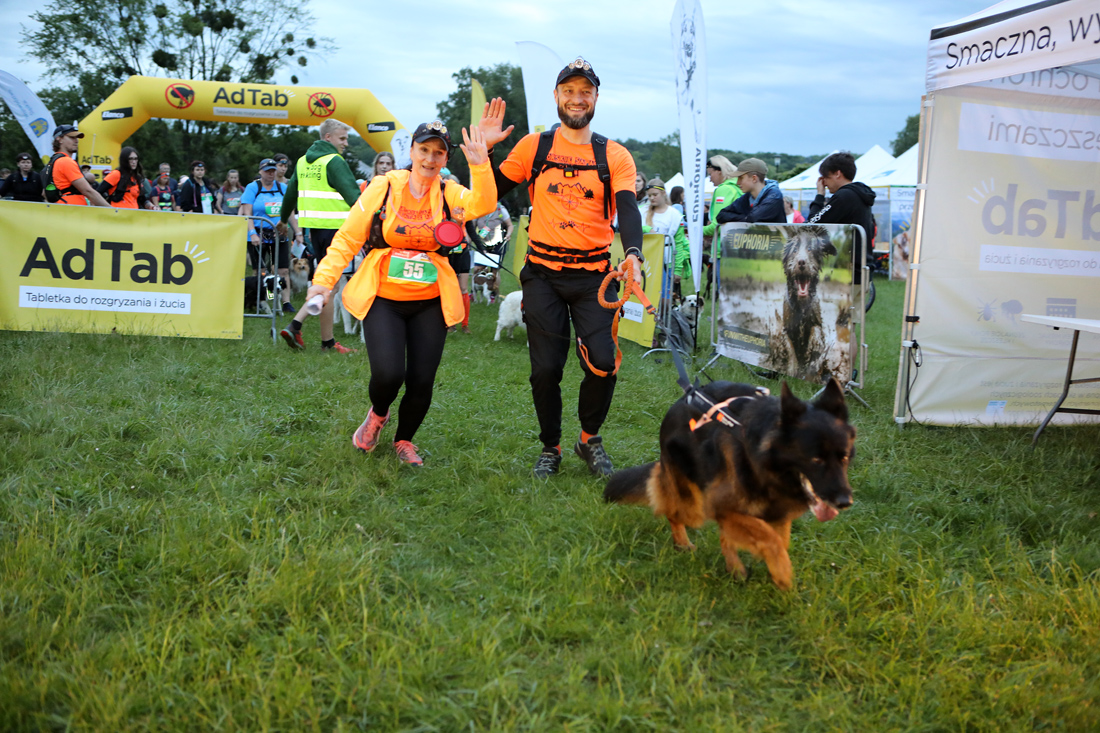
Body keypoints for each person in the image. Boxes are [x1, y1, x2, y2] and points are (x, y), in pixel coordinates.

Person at [479, 58, 645, 478]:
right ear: (556, 96)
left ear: (596, 98)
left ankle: (588, 439)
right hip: (543, 276)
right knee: (546, 369)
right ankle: (550, 447)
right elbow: (487, 195)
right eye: (569, 91)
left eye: (585, 91)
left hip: (593, 278)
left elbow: (627, 208)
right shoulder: (534, 147)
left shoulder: (614, 154)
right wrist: (486, 153)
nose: (577, 99)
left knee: (603, 363)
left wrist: (633, 254)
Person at [304, 121, 496, 466]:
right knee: (389, 374)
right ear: (412, 151)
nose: (430, 159)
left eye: (438, 153)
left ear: (445, 159)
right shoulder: (385, 186)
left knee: (422, 380)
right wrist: (323, 280)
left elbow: (482, 204)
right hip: (384, 298)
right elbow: (348, 237)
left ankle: (405, 440)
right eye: (424, 150)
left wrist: (481, 164)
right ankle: (378, 415)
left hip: (430, 301)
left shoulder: (449, 192)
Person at [277, 119, 361, 354]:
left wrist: (283, 220)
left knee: (325, 284)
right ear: (328, 138)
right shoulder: (334, 161)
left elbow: (290, 194)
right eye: (342, 138)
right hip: (336, 231)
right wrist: (374, 220)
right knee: (329, 286)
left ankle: (325, 340)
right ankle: (298, 326)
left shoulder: (303, 161)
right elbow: (355, 198)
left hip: (314, 232)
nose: (345, 143)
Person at [240, 157, 297, 313]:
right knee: (261, 271)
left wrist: (297, 232)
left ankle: (285, 302)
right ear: (260, 172)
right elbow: (247, 213)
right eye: (267, 171)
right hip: (259, 233)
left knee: (283, 270)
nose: (271, 174)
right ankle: (262, 299)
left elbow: (290, 212)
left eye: (273, 171)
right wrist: (252, 233)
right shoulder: (253, 187)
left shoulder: (282, 188)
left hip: (279, 233)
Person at [807, 151, 876, 262]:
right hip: (862, 262)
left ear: (837, 174)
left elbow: (813, 224)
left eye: (826, 177)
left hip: (849, 266)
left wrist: (819, 195)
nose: (824, 183)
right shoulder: (860, 194)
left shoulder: (844, 196)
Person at [45, 125, 109, 207]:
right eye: (72, 137)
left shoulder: (52, 161)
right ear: (59, 139)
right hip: (72, 210)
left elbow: (44, 193)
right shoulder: (66, 161)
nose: (76, 141)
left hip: (62, 208)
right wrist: (112, 210)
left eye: (77, 138)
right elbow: (88, 191)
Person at [644, 178, 690, 292]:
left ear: (663, 193)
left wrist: (677, 269)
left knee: (665, 295)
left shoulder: (674, 215)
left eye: (655, 195)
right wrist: (646, 229)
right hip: (646, 260)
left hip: (666, 261)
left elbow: (679, 243)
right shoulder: (642, 212)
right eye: (649, 195)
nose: (652, 198)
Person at [715, 158, 785, 224]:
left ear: (754, 178)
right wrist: (746, 218)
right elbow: (721, 215)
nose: (737, 182)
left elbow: (754, 218)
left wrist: (744, 218)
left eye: (741, 178)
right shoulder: (748, 196)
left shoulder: (774, 196)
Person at [702, 155, 742, 239]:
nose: (710, 179)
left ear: (719, 171)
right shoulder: (737, 187)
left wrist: (696, 231)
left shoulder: (724, 189)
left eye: (710, 174)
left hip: (723, 243)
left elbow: (718, 225)